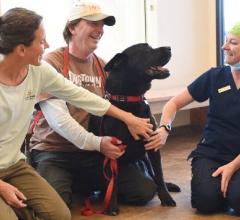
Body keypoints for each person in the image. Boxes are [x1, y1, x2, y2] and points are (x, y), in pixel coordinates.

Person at [0, 7, 152, 220]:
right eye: (93, 23)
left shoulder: (98, 66)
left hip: (63, 156)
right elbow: (60, 121)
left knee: (141, 191)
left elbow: (81, 96)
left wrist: (132, 120)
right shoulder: (51, 62)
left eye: (102, 25)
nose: (100, 30)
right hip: (55, 152)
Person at [151, 20, 240, 215]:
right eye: (225, 41)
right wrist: (165, 128)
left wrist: (233, 166)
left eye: (233, 42)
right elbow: (173, 103)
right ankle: (223, 187)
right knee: (205, 203)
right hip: (211, 152)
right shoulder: (215, 76)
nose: (224, 47)